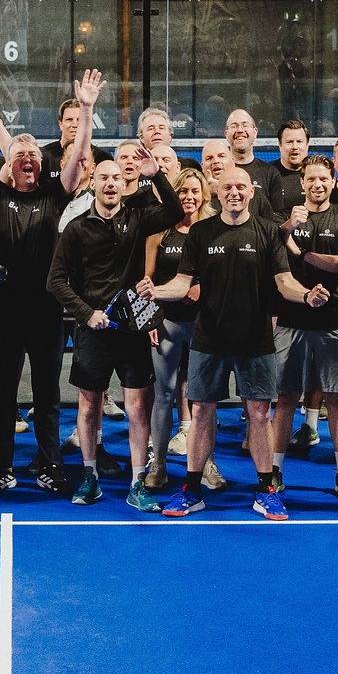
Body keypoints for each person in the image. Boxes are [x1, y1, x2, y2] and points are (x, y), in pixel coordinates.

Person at [146, 166, 317, 519]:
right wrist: (156, 291)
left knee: (259, 415)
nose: (234, 192)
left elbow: (284, 282)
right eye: (227, 187)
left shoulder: (268, 232)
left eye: (241, 186)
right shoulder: (200, 232)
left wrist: (306, 295)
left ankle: (266, 491)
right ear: (217, 193)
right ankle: (192, 490)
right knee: (201, 413)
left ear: (252, 192)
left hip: (256, 340)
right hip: (208, 339)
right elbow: (181, 283)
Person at [0, 64, 96, 498]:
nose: (26, 159)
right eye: (19, 155)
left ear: (43, 166)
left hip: (46, 315)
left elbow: (79, 155)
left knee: (47, 396)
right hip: (3, 315)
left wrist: (87, 109)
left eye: (33, 156)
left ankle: (51, 465)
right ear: (7, 164)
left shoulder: (54, 194)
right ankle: (2, 467)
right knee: (3, 396)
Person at [47, 144, 178, 501]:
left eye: (116, 178)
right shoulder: (76, 229)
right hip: (92, 332)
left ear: (124, 184)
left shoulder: (139, 218)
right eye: (103, 177)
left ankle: (137, 482)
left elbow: (175, 211)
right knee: (89, 406)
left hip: (132, 331)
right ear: (92, 182)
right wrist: (87, 314)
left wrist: (156, 176)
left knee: (137, 407)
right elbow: (55, 282)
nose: (110, 183)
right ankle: (89, 477)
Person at [271, 155, 338, 499]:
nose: (318, 184)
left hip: (335, 318)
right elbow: (274, 249)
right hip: (291, 317)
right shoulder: (286, 218)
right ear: (302, 182)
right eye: (311, 178)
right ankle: (274, 470)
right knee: (286, 397)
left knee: (336, 398)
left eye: (324, 178)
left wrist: (301, 253)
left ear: (333, 181)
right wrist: (288, 229)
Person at [146, 167, 215, 493]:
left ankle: (207, 464)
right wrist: (149, 320)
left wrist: (203, 288)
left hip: (205, 326)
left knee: (205, 400)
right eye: (182, 191)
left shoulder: (213, 230)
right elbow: (146, 281)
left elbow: (223, 276)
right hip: (167, 324)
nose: (189, 197)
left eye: (194, 191)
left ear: (204, 196)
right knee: (163, 396)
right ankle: (158, 464)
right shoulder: (159, 232)